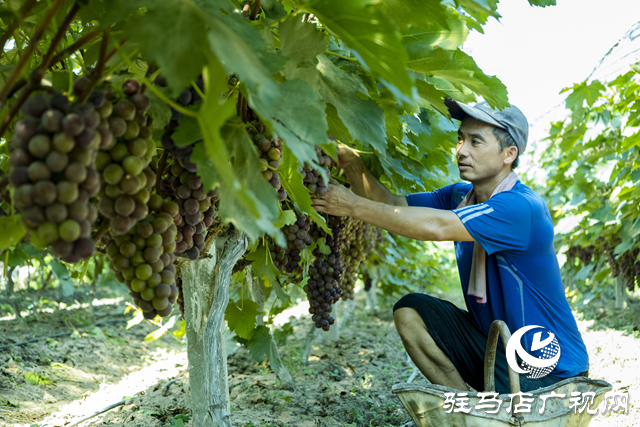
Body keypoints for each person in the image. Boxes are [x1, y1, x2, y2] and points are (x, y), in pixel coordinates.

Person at [311, 99, 590, 394]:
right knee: (410, 311)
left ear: (509, 154)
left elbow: (437, 226)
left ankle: (490, 412)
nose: (461, 150)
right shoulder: (461, 196)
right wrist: (353, 164)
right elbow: (392, 203)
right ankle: (469, 412)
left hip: (551, 370)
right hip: (500, 350)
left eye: (475, 141)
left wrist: (352, 205)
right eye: (460, 139)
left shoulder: (520, 207)